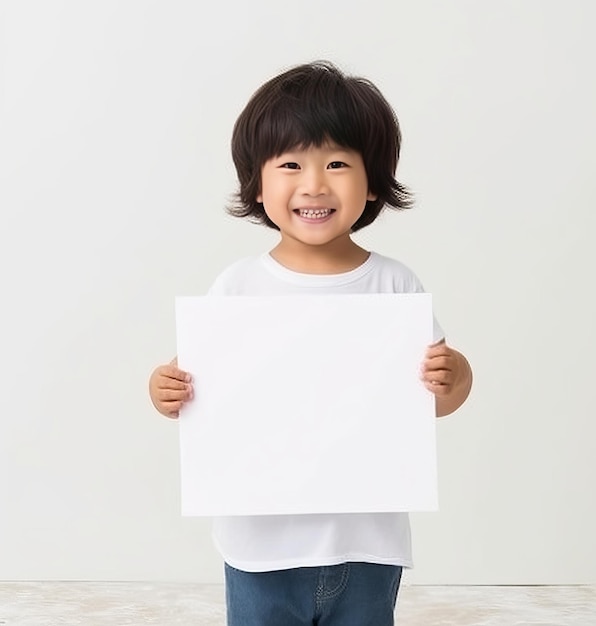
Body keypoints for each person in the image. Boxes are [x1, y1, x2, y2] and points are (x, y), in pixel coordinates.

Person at [148, 61, 472, 626]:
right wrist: (165, 389)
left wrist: (456, 375)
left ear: (372, 182)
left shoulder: (395, 284)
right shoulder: (237, 287)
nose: (315, 184)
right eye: (291, 163)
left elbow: (434, 400)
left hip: (366, 542)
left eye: (338, 163)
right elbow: (196, 390)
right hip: (260, 546)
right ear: (258, 182)